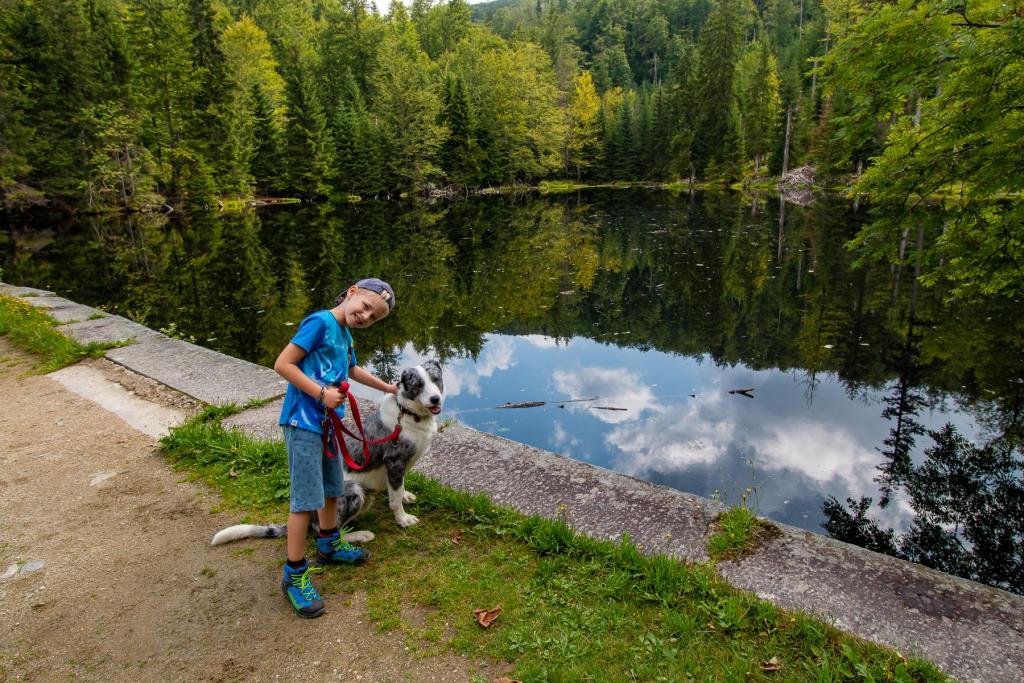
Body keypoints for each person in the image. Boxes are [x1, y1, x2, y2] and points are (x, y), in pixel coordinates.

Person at [273, 278, 397, 618]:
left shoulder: (344, 335)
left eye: (374, 318)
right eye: (366, 307)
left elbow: (352, 369)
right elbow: (283, 364)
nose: (365, 316)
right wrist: (320, 394)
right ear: (352, 292)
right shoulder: (319, 322)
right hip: (304, 423)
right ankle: (294, 574)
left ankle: (328, 543)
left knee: (331, 489)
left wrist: (387, 386)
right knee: (305, 500)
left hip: (328, 425)